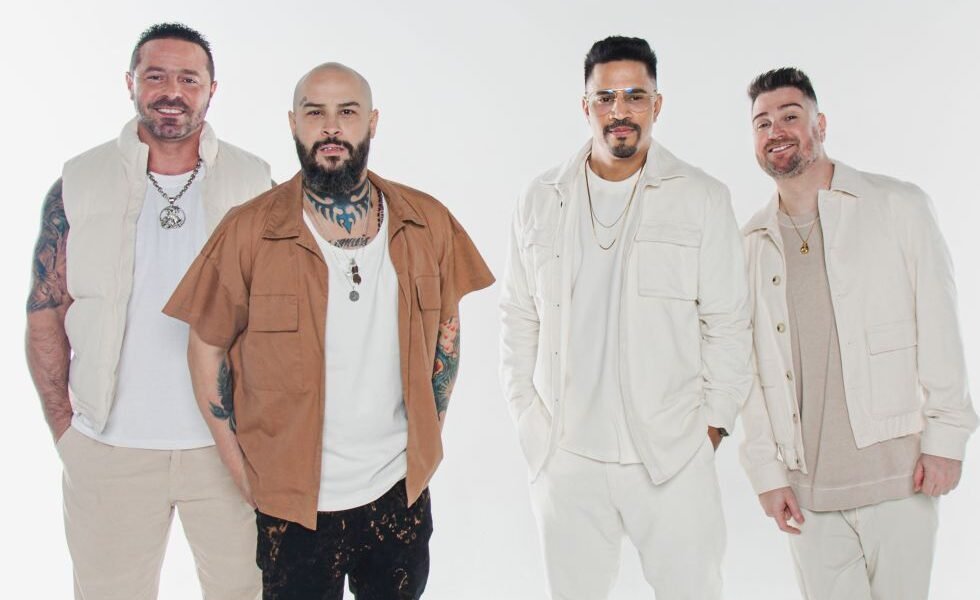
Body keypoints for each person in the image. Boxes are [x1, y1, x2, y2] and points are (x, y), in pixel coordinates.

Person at [163, 62, 494, 599]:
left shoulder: (427, 221)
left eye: (348, 112)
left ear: (372, 122)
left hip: (398, 498)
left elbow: (447, 335)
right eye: (315, 113)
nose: (332, 127)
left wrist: (427, 440)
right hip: (294, 508)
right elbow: (206, 348)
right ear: (294, 123)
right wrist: (242, 473)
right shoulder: (248, 231)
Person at [499, 36, 751, 599]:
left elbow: (729, 323)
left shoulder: (702, 197)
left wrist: (709, 430)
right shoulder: (539, 198)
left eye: (635, 96)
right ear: (585, 106)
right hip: (566, 456)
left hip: (670, 455)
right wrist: (528, 422)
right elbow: (517, 316)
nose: (620, 111)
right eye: (605, 97)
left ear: (656, 105)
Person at [25, 22, 271, 599]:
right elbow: (46, 310)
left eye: (189, 79)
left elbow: (287, 317)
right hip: (109, 451)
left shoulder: (256, 183)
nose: (172, 92)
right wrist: (66, 430)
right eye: (156, 76)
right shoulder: (79, 182)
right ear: (130, 82)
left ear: (212, 90)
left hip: (230, 451)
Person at [740, 67, 978, 599]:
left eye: (790, 116)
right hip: (808, 495)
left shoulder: (897, 206)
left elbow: (940, 324)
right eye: (762, 123)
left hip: (901, 480)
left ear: (820, 124)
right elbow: (748, 370)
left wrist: (947, 440)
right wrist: (766, 474)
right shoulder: (749, 244)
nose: (776, 131)